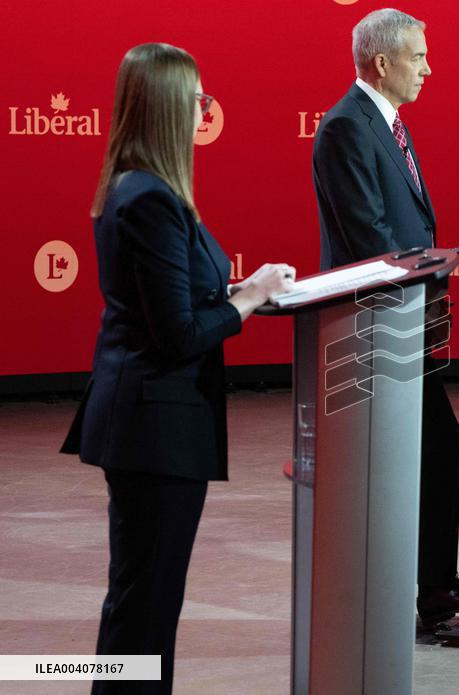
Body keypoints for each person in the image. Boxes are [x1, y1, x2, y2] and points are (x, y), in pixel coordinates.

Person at [60, 43, 295, 694]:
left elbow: (179, 302)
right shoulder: (150, 199)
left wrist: (240, 288)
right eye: (198, 99)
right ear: (169, 107)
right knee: (144, 606)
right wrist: (249, 298)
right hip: (154, 429)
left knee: (144, 602)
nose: (205, 110)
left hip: (151, 424)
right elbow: (179, 334)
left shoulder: (145, 190)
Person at [311, 8, 459, 627]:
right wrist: (421, 278)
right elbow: (369, 239)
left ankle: (430, 587)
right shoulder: (348, 128)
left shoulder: (385, 124)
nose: (429, 68)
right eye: (419, 57)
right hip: (375, 324)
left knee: (432, 445)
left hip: (404, 319)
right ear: (383, 63)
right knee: (429, 445)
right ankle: (426, 590)